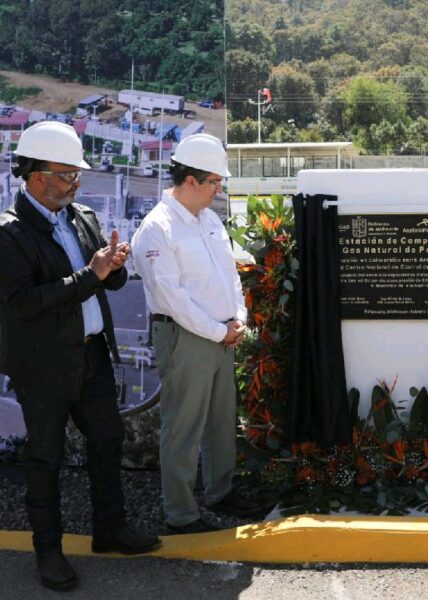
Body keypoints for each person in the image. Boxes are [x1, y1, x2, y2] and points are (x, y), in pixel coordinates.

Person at [0, 121, 161, 592]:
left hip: (91, 357)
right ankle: (48, 553)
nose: (76, 183)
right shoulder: (8, 235)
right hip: (43, 366)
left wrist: (112, 267)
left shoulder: (83, 217)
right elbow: (24, 304)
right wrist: (91, 276)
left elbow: (103, 283)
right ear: (35, 177)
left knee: (107, 441)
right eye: (67, 174)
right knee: (45, 459)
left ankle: (109, 530)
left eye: (77, 175)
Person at [131, 133, 262, 534]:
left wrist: (237, 318)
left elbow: (230, 276)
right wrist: (218, 331)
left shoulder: (208, 220)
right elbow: (173, 299)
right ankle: (182, 513)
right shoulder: (158, 228)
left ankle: (220, 492)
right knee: (184, 427)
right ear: (190, 180)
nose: (218, 189)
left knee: (222, 421)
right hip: (187, 338)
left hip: (221, 335)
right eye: (214, 182)